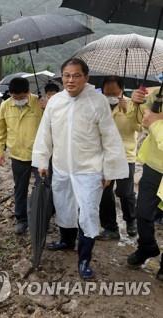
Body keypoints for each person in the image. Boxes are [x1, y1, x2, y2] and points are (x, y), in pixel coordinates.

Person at [32, 58, 128, 279]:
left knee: (88, 213)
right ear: (61, 77)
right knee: (64, 206)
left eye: (76, 75)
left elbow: (110, 138)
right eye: (67, 75)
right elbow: (45, 133)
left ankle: (84, 259)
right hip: (62, 167)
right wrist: (42, 161)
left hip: (90, 169)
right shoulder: (55, 102)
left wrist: (109, 171)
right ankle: (66, 240)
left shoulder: (97, 102)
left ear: (86, 77)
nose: (71, 80)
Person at [0, 77, 43, 234]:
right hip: (17, 155)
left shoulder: (39, 103)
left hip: (39, 155)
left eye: (21, 97)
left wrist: (47, 106)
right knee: (20, 189)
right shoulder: (5, 106)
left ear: (28, 92)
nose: (18, 100)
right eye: (15, 97)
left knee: (42, 188)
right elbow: (1, 131)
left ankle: (41, 218)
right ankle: (21, 219)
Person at [126, 89, 163, 280]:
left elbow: (154, 124)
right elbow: (139, 124)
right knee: (142, 212)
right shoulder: (157, 93)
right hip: (154, 166)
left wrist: (156, 123)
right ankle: (147, 246)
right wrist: (136, 104)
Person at [97, 76, 140, 240]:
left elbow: (140, 127)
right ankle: (110, 227)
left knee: (124, 191)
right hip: (104, 154)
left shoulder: (132, 104)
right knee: (104, 191)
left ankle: (131, 220)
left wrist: (129, 111)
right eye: (107, 93)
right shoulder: (99, 105)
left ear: (121, 90)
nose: (110, 96)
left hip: (125, 155)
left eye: (114, 93)